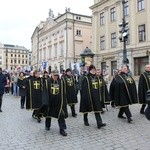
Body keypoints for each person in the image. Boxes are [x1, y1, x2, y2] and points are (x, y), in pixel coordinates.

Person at [38, 70, 68, 136]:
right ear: (51, 74)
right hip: (50, 102)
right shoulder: (47, 82)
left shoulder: (61, 82)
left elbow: (63, 92)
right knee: (48, 114)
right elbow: (44, 92)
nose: (56, 76)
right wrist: (45, 101)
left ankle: (62, 129)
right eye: (54, 75)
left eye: (57, 75)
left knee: (61, 115)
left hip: (59, 102)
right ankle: (47, 126)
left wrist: (64, 101)